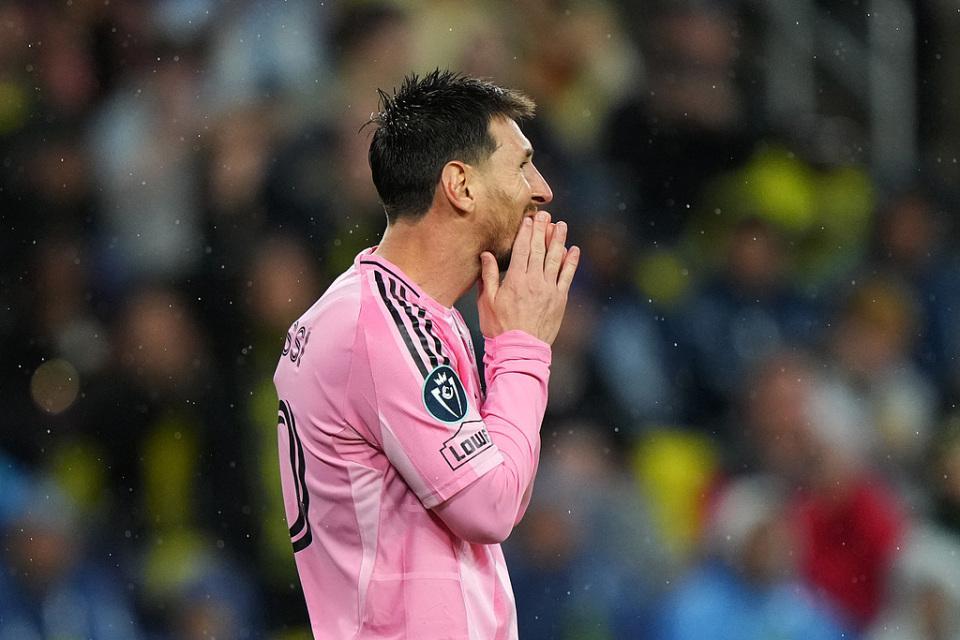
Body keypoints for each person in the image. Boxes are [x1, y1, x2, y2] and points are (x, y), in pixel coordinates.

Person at [272, 70, 581, 639]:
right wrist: (524, 350)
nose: (542, 190)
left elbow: (497, 488)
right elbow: (489, 507)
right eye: (521, 166)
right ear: (460, 185)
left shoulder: (409, 316)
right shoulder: (379, 326)